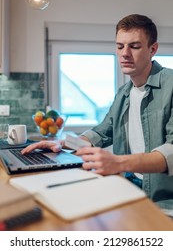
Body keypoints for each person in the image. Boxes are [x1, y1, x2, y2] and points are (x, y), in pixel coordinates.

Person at [22, 14, 173, 216]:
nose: (125, 53)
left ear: (152, 49)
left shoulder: (171, 84)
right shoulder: (123, 94)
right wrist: (63, 143)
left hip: (164, 199)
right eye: (120, 46)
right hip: (129, 186)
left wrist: (118, 162)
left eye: (134, 46)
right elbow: (101, 133)